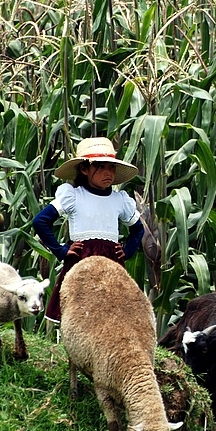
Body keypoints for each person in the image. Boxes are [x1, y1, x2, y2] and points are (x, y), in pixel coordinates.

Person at [33, 137, 145, 323]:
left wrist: (127, 251)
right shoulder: (74, 196)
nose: (108, 173)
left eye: (111, 167)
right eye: (100, 167)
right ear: (84, 169)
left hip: (112, 262)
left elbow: (138, 229)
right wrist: (61, 251)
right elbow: (41, 221)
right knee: (79, 310)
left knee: (111, 312)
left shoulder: (119, 200)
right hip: (82, 259)